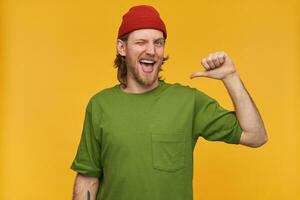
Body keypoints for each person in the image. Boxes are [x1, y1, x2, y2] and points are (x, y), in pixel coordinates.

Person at [70, 5, 268, 200]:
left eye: (158, 42)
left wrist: (231, 77)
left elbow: (255, 136)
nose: (151, 51)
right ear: (122, 47)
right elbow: (88, 178)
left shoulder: (188, 101)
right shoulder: (100, 105)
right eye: (141, 42)